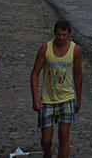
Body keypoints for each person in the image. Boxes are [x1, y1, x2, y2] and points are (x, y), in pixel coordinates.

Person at [30, 20, 82, 158]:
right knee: (46, 139)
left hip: (67, 98)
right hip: (47, 99)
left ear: (69, 34)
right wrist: (35, 97)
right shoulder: (45, 49)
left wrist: (79, 99)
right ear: (55, 34)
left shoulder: (75, 50)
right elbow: (35, 73)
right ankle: (47, 153)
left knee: (64, 137)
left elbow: (78, 75)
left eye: (64, 35)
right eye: (58, 35)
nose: (61, 38)